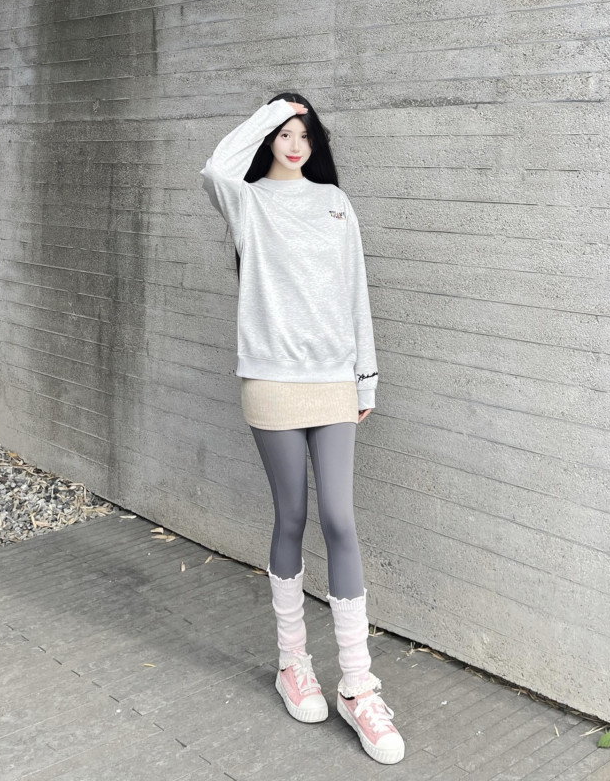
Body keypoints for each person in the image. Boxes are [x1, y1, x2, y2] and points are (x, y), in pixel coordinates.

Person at [200, 93, 405, 764]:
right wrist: (270, 110)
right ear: (267, 138)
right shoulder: (247, 201)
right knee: (291, 516)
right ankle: (293, 664)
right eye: (284, 133)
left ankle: (357, 685)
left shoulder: (334, 203)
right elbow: (215, 167)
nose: (295, 143)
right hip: (272, 381)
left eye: (304, 133)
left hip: (333, 380)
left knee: (339, 519)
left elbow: (355, 292)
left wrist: (365, 379)